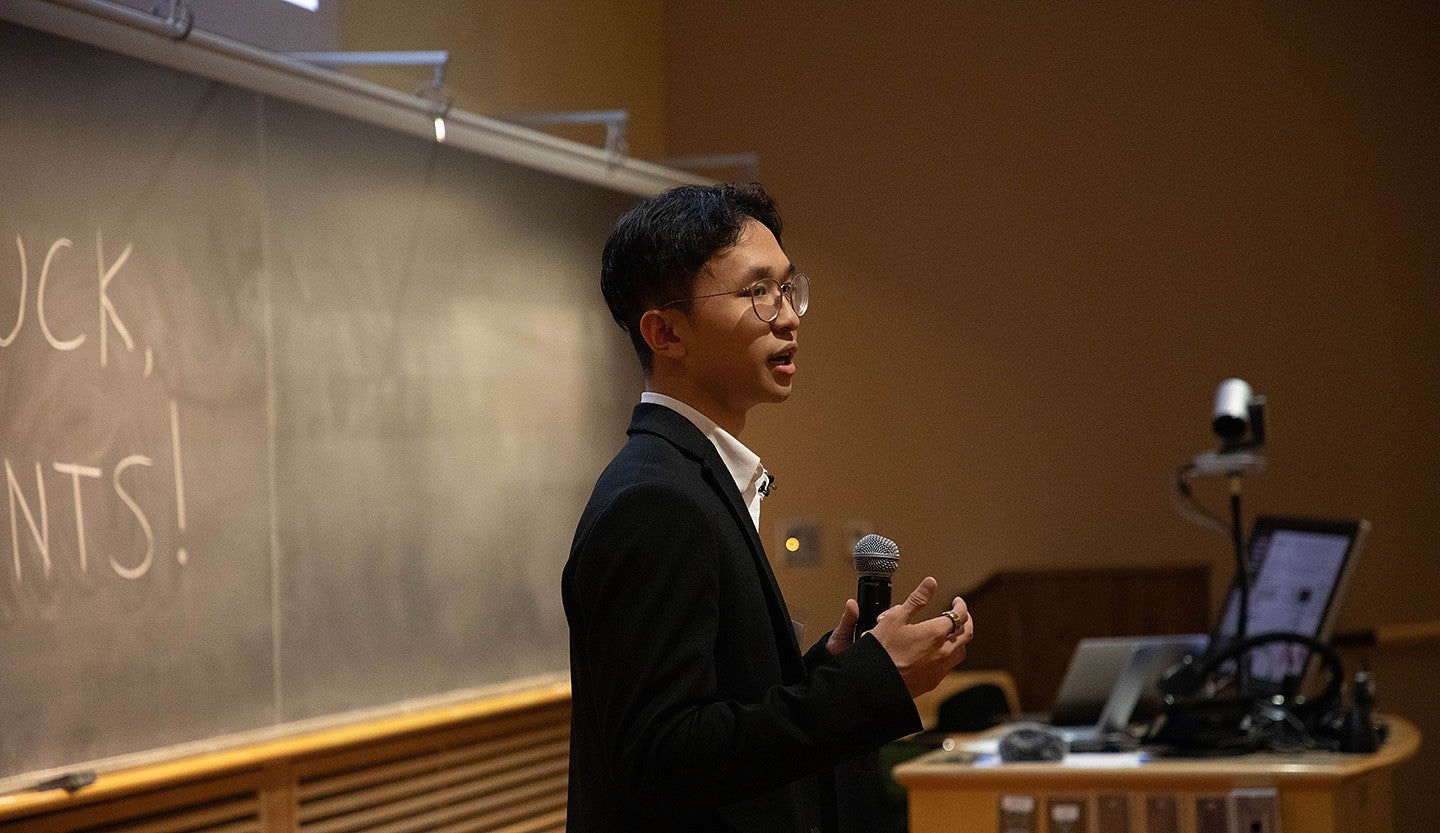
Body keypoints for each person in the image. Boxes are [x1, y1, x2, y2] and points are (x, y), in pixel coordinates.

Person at [562, 183, 974, 833]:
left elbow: (717, 712)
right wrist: (863, 689)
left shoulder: (695, 480)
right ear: (666, 331)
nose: (788, 316)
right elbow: (660, 758)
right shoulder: (655, 502)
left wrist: (826, 674)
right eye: (758, 292)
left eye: (787, 288)